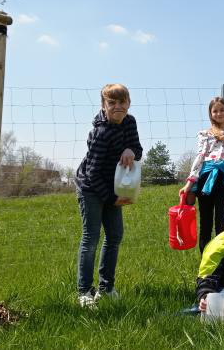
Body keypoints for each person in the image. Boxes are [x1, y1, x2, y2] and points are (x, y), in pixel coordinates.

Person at [74, 83, 143, 307]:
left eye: (122, 102)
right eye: (111, 103)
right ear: (104, 105)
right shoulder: (100, 133)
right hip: (91, 188)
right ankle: (84, 291)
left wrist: (131, 150)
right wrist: (113, 199)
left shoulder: (130, 122)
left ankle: (106, 287)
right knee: (91, 237)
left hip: (113, 186)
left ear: (128, 103)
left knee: (115, 236)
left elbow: (138, 149)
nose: (117, 107)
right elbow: (92, 174)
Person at [180, 97, 224, 252]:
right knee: (205, 221)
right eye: (215, 111)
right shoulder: (205, 134)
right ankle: (205, 261)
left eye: (222, 110)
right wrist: (190, 183)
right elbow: (200, 157)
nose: (219, 113)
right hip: (206, 179)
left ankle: (221, 258)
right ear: (210, 114)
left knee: (222, 221)